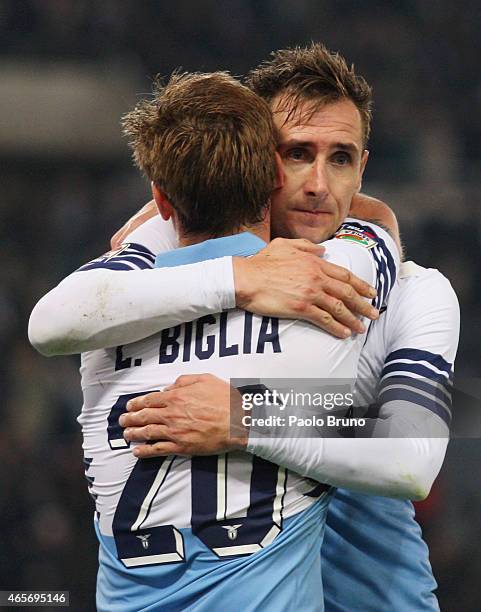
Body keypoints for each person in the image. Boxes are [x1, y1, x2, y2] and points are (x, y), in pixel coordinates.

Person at [28, 43, 458, 610]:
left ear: (364, 168)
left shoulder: (416, 291)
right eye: (298, 154)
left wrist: (242, 414)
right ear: (260, 162)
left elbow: (411, 453)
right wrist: (238, 273)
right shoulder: (166, 279)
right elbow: (54, 317)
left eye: (342, 159)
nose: (319, 186)